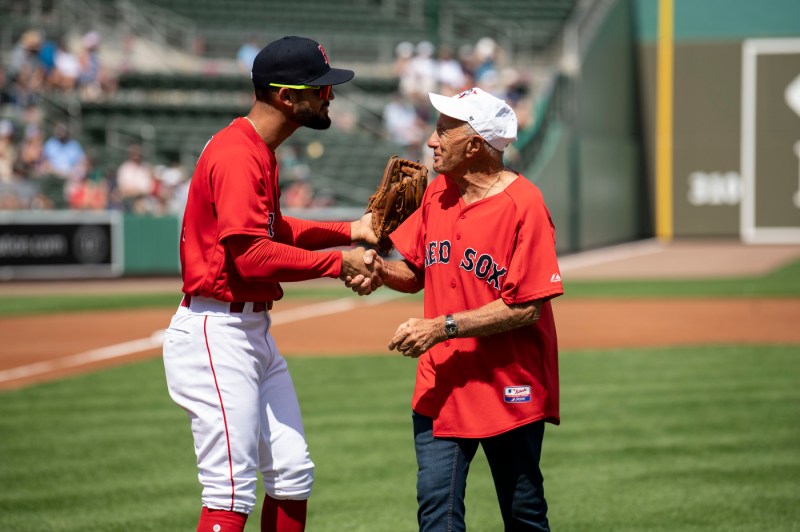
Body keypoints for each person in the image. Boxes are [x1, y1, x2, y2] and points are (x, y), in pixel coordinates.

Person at [162, 35, 381, 532]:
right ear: (287, 96)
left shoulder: (257, 149)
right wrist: (338, 264)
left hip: (250, 332)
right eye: (320, 89)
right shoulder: (238, 155)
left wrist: (351, 230)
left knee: (290, 472)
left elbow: (275, 231)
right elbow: (252, 256)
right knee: (230, 489)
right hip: (216, 334)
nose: (330, 96)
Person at [349, 87, 563, 531]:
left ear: (475, 145)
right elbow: (416, 272)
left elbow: (527, 308)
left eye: (445, 130)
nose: (432, 139)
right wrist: (377, 270)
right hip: (441, 385)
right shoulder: (438, 194)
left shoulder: (526, 205)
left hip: (507, 386)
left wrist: (442, 327)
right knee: (437, 516)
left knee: (524, 514)